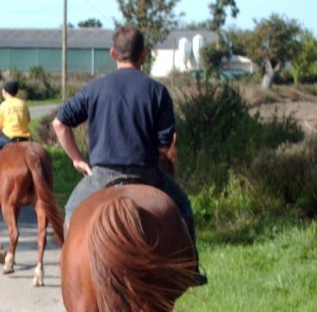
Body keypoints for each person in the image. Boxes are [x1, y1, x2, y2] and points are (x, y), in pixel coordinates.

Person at [52, 25, 206, 285]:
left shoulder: (94, 88)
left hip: (101, 177)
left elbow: (59, 124)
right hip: (147, 175)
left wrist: (77, 159)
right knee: (183, 207)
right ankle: (190, 270)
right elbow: (164, 145)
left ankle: (72, 271)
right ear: (143, 55)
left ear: (113, 54)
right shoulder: (158, 92)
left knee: (70, 212)